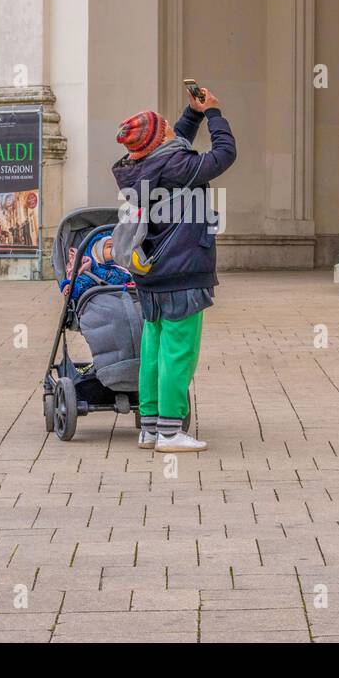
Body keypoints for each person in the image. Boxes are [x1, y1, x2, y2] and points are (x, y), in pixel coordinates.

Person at [112, 86, 236, 453]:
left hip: (151, 273)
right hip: (182, 272)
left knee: (153, 348)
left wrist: (193, 113)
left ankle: (150, 427)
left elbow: (172, 142)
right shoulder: (177, 167)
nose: (170, 126)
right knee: (178, 352)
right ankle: (170, 432)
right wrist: (214, 113)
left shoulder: (141, 165)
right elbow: (225, 154)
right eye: (166, 124)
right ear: (160, 135)